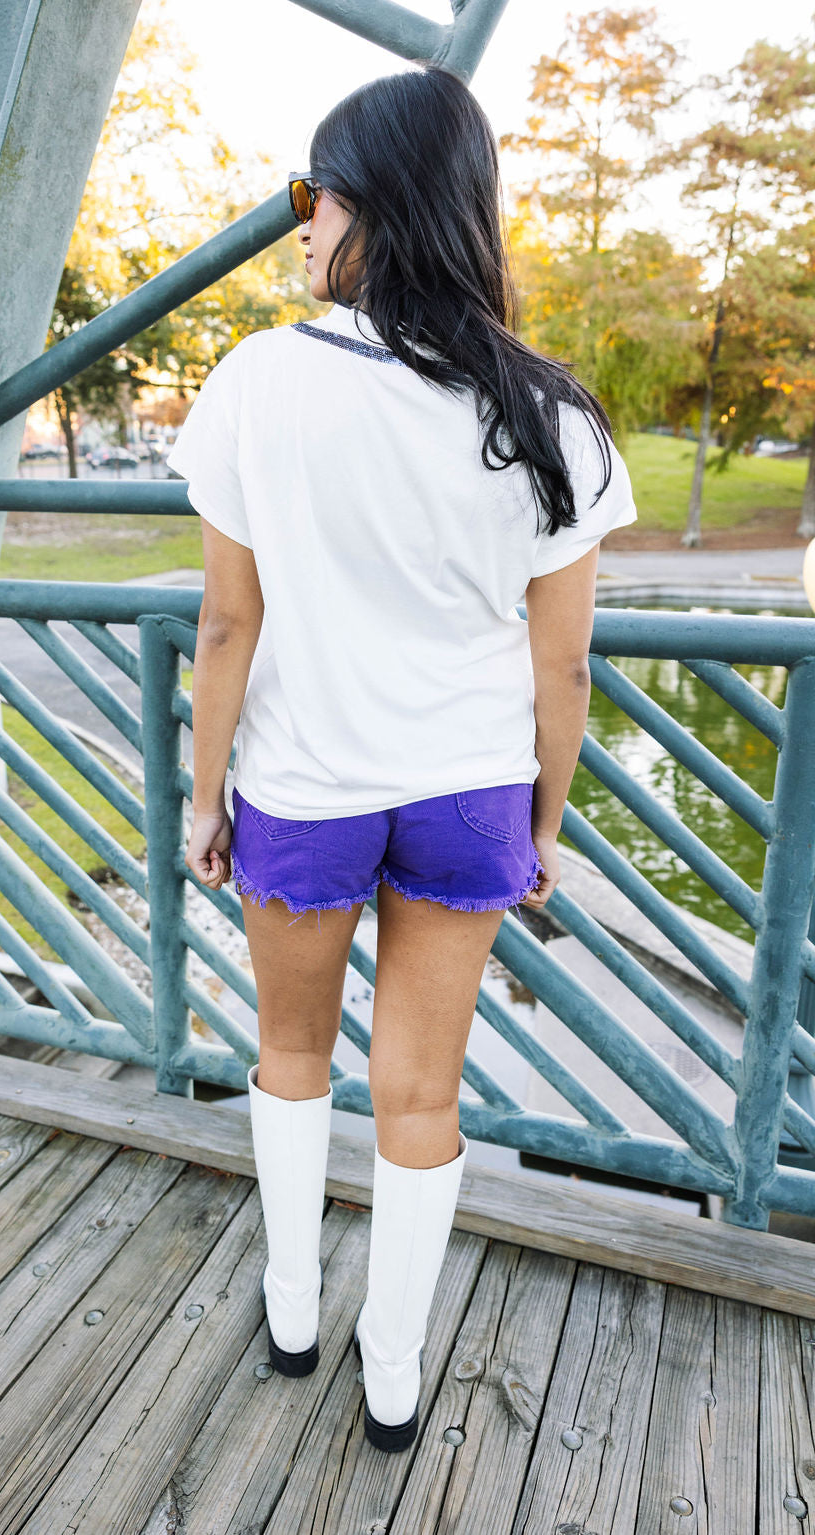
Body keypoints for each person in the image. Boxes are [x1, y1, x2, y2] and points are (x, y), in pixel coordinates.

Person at [165, 62, 636, 1454]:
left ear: (368, 209)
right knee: (422, 1095)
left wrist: (207, 797)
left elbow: (228, 624)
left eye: (312, 197)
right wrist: (539, 826)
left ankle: (295, 1308)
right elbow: (563, 668)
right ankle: (393, 1372)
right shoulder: (551, 414)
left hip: (304, 787)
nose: (301, 226)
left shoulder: (259, 381)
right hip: (468, 790)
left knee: (291, 1051)